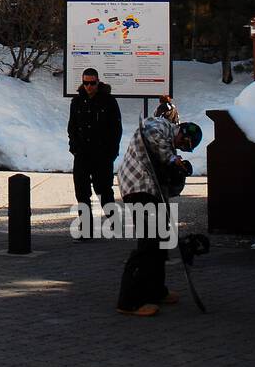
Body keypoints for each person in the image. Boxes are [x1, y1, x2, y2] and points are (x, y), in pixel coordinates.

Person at [115, 113, 203, 315]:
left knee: (162, 242)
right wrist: (172, 160)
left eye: (185, 148)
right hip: (138, 188)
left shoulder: (168, 148)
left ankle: (155, 290)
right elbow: (149, 130)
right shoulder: (160, 125)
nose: (181, 147)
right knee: (148, 244)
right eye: (183, 143)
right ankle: (129, 300)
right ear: (182, 132)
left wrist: (177, 175)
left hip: (152, 192)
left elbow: (168, 184)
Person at [67, 67, 122, 238]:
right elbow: (72, 126)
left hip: (102, 154)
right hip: (82, 153)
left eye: (92, 83)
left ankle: (114, 222)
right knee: (81, 191)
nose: (89, 86)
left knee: (104, 189)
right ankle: (86, 228)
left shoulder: (108, 101)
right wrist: (74, 146)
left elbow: (116, 129)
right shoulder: (77, 102)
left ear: (98, 82)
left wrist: (112, 152)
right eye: (85, 83)